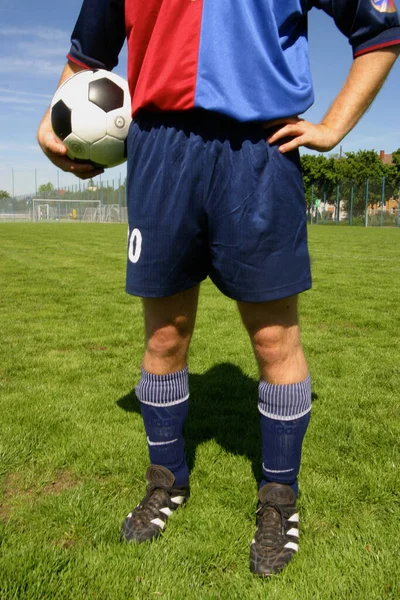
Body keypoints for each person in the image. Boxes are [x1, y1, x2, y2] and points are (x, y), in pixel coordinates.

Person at [37, 0, 400, 577]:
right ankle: (166, 482)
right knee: (164, 338)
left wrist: (333, 126)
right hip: (158, 151)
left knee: (275, 341)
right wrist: (53, 116)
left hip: (260, 152)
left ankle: (279, 499)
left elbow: (382, 25)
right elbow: (88, 54)